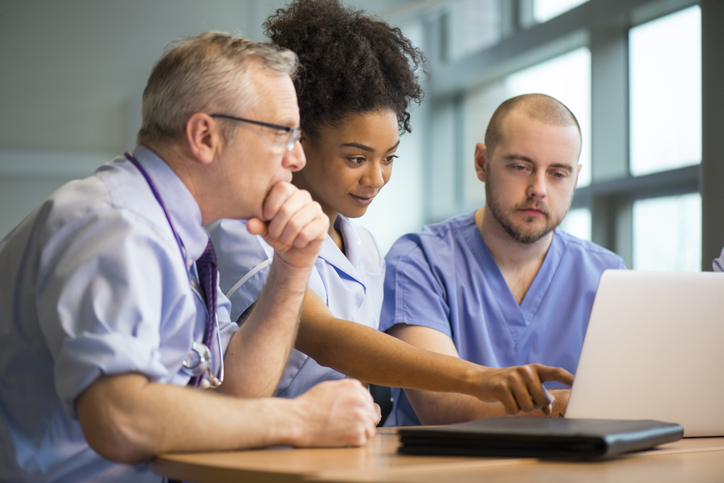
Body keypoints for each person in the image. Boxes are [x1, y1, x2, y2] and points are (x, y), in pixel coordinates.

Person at [0, 32, 380, 483]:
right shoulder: (116, 225)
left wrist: (293, 266)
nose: (296, 159)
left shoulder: (176, 234)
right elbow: (118, 418)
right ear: (205, 136)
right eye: (284, 134)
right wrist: (301, 420)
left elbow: (239, 390)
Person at [209, 0, 572, 420]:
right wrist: (478, 379)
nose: (376, 178)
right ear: (300, 142)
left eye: (389, 158)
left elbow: (356, 375)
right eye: (356, 159)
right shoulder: (246, 231)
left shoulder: (362, 245)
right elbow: (330, 340)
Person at [380, 93, 627, 426]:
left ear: (576, 178)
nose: (538, 188)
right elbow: (442, 407)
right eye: (520, 167)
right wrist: (569, 403)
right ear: (482, 163)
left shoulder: (608, 275)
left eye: (558, 173)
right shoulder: (420, 261)